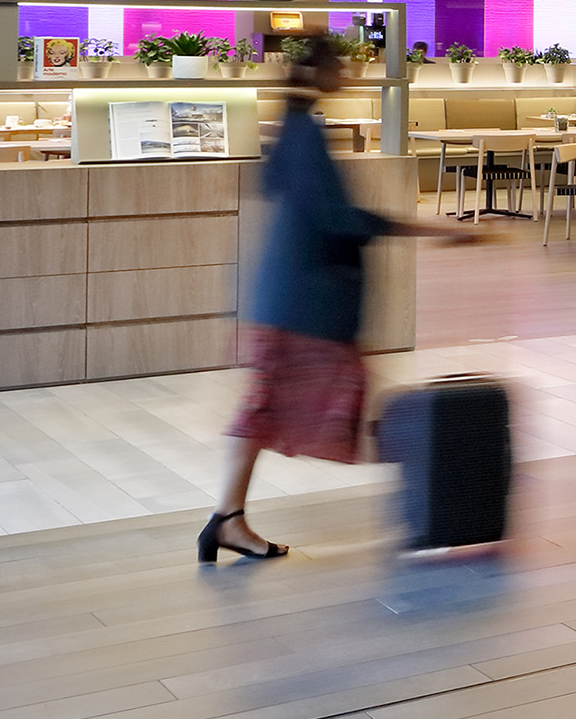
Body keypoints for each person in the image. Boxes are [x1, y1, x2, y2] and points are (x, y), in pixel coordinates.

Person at [202, 38, 476, 562]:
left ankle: (227, 519)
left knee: (263, 411)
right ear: (324, 70)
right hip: (310, 307)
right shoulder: (306, 135)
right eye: (345, 66)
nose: (351, 73)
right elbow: (339, 220)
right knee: (340, 416)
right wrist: (428, 227)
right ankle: (444, 499)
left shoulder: (294, 128)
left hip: (285, 300)